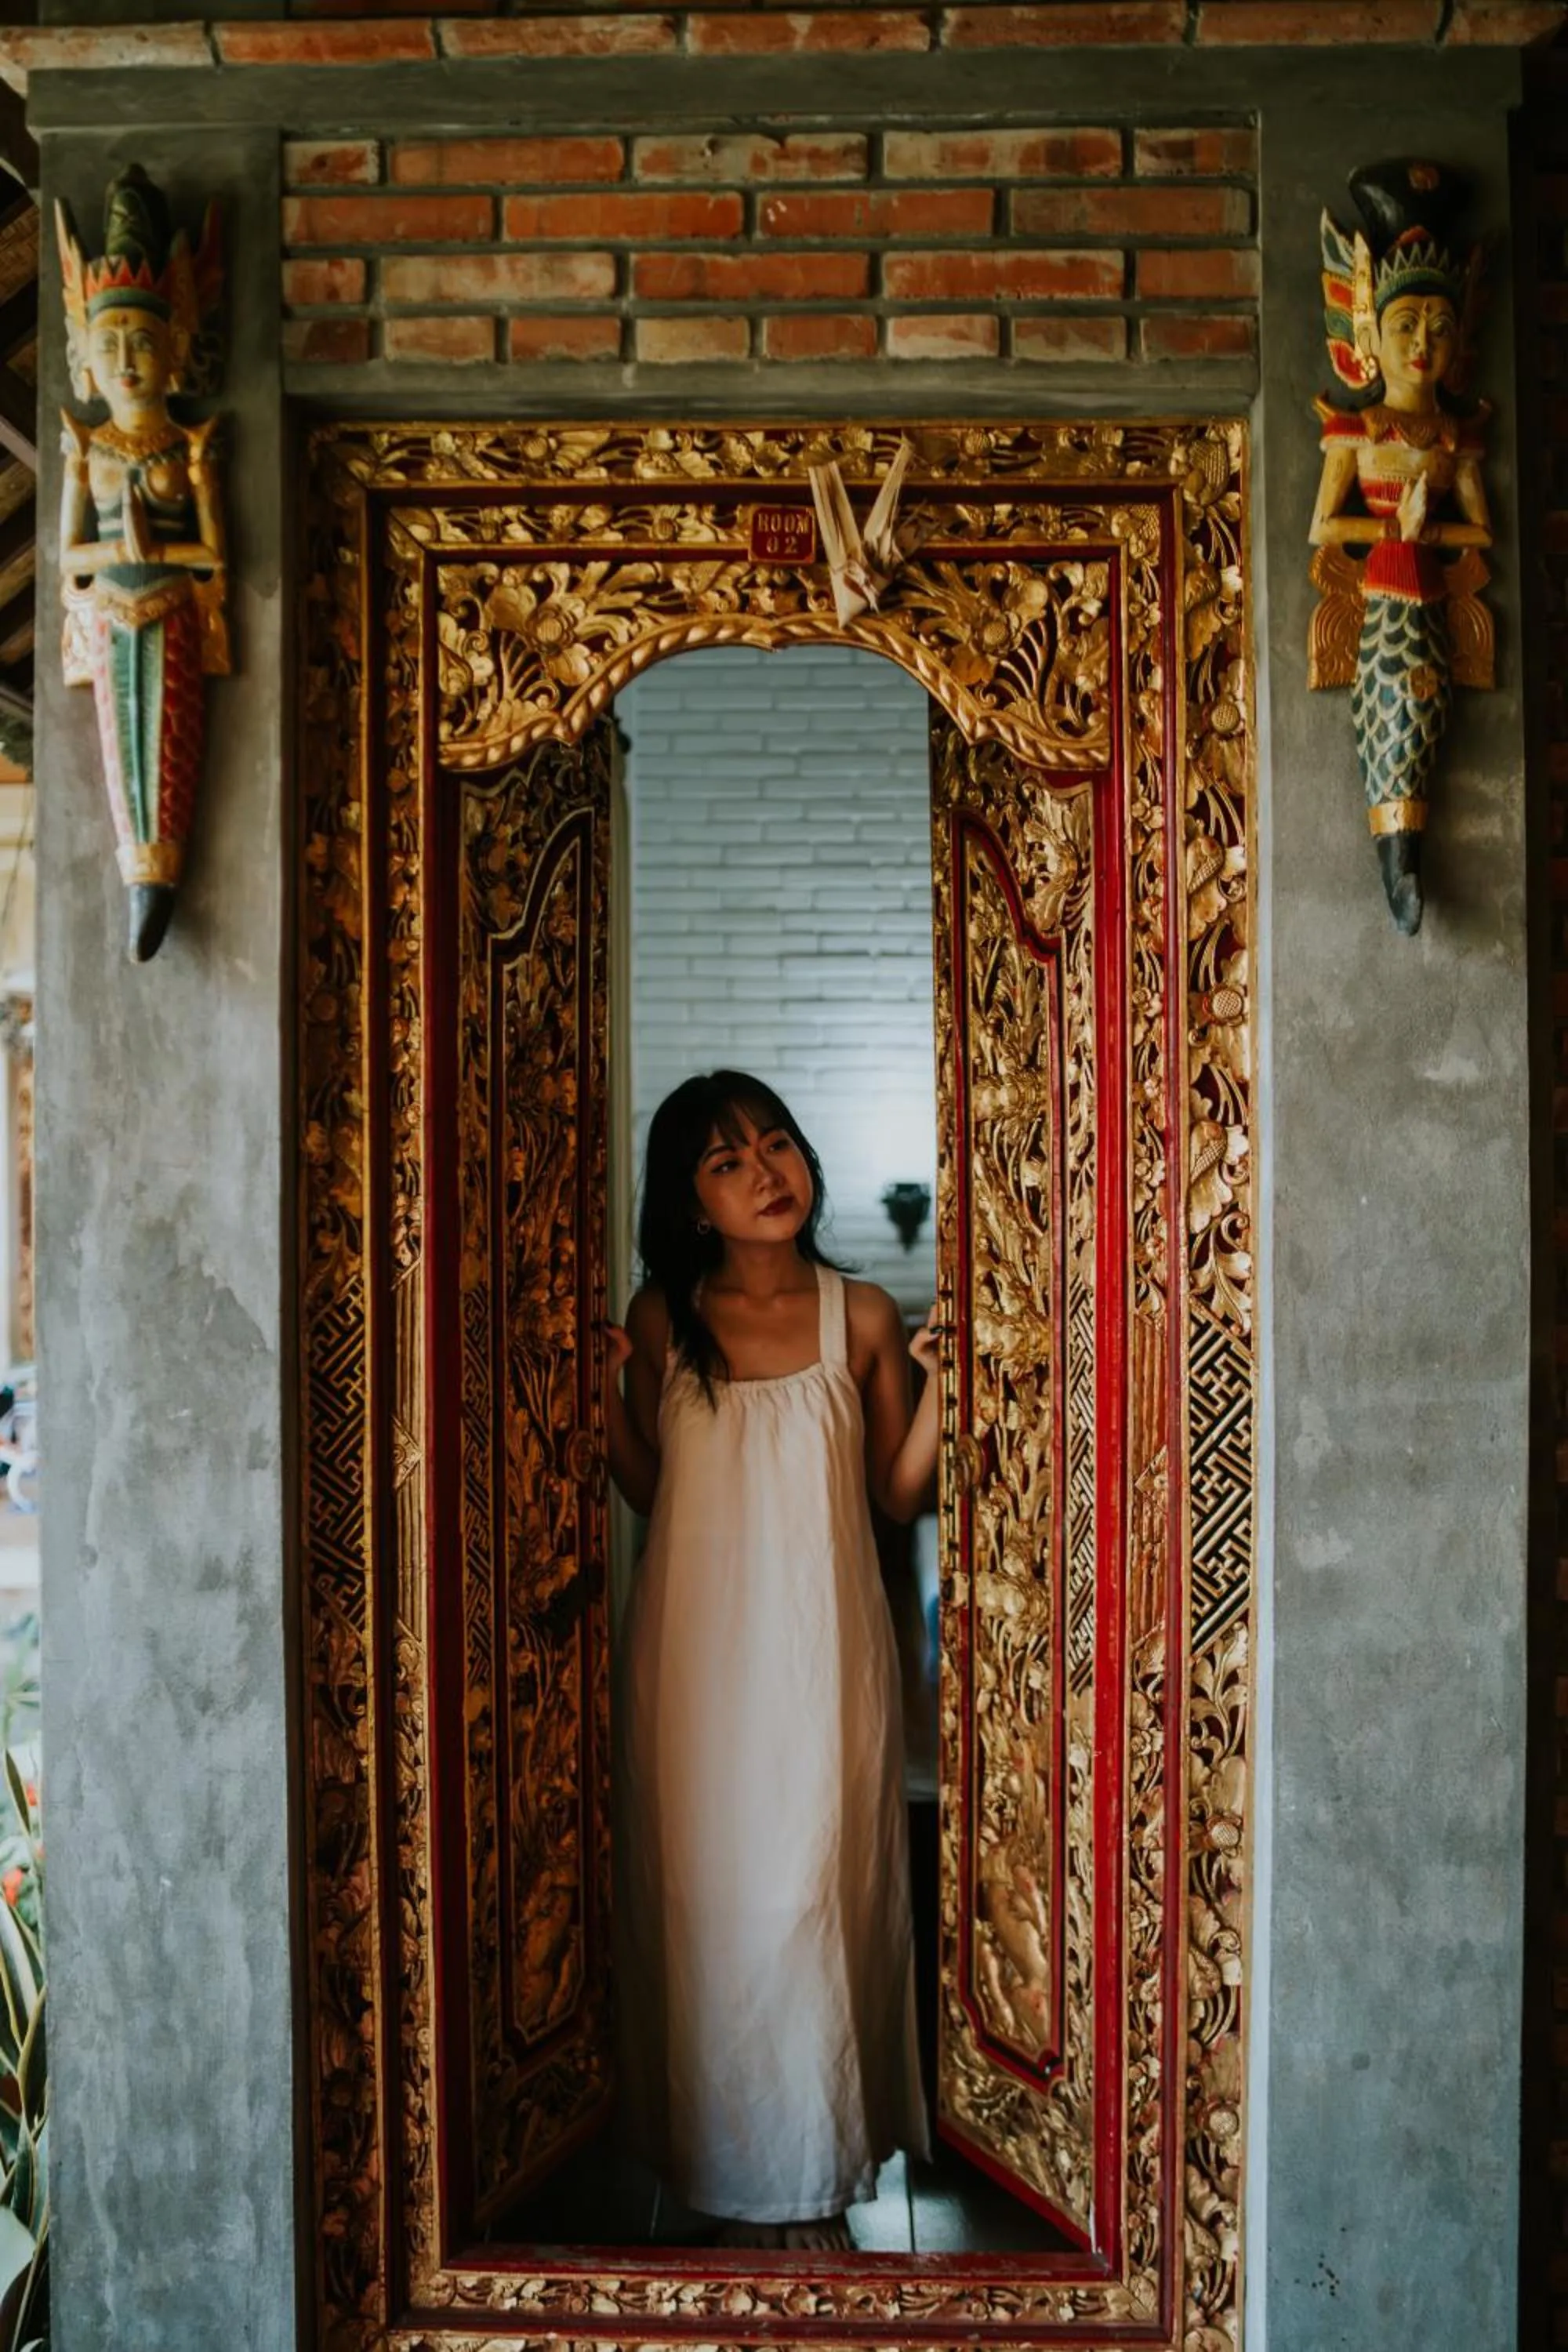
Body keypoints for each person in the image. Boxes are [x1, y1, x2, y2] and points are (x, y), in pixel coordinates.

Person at [604, 1070, 937, 2250]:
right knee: (706, 1907)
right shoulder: (662, 1318)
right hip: (693, 1657)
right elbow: (650, 1489)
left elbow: (897, 1494)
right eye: (727, 1162)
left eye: (776, 1144)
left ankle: (808, 2181)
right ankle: (719, 2173)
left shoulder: (864, 1315)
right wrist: (598, 1397)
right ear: (690, 1201)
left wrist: (949, 1383)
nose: (765, 1173)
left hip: (820, 1651)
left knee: (810, 1897)